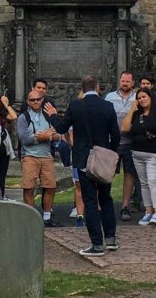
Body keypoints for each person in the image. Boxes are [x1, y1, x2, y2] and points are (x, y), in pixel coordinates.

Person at [52, 75, 121, 256]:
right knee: (105, 198)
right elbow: (116, 135)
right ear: (98, 88)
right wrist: (110, 152)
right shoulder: (107, 106)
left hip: (83, 158)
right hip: (102, 157)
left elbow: (61, 128)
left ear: (82, 89)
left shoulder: (76, 106)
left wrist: (52, 115)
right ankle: (111, 239)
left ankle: (97, 244)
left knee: (90, 201)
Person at [121, 87, 156, 225]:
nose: (142, 100)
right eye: (139, 98)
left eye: (144, 97)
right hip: (137, 153)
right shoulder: (137, 113)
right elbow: (124, 128)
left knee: (153, 181)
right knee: (143, 183)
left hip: (154, 154)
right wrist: (132, 110)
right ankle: (148, 211)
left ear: (150, 97)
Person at [17, 85, 62, 225]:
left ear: (42, 99)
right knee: (29, 187)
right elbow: (24, 139)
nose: (36, 102)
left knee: (50, 186)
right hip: (29, 156)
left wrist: (49, 136)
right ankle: (32, 219)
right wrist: (43, 137)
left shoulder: (48, 115)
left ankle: (47, 217)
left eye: (38, 99)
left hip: (47, 155)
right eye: (32, 100)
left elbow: (58, 135)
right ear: (28, 101)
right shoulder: (23, 117)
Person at [106, 70, 142, 221]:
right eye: (123, 81)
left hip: (131, 142)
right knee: (108, 174)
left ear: (133, 83)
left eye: (127, 81)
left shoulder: (138, 97)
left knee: (129, 174)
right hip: (112, 142)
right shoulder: (110, 97)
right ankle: (104, 203)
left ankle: (125, 206)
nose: (125, 84)